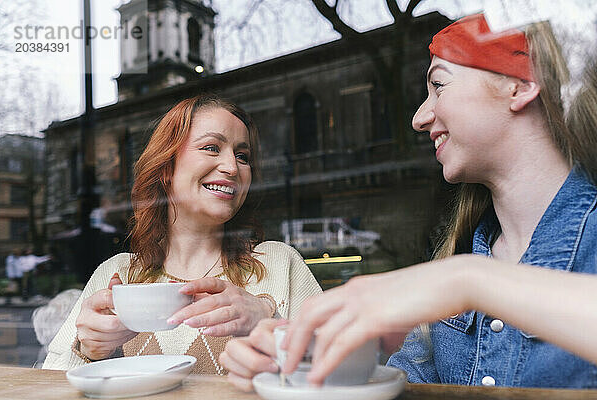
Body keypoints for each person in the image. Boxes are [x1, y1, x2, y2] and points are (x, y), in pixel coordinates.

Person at [220, 14, 597, 389]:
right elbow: (404, 385)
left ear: (520, 85)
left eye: (439, 85)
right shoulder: (462, 254)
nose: (420, 117)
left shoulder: (461, 274)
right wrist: (297, 359)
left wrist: (468, 281)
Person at [42, 94, 321, 373]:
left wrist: (267, 318)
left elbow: (335, 375)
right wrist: (89, 351)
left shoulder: (279, 263)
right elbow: (47, 383)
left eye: (242, 156)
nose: (232, 167)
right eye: (212, 148)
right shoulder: (118, 273)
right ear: (167, 168)